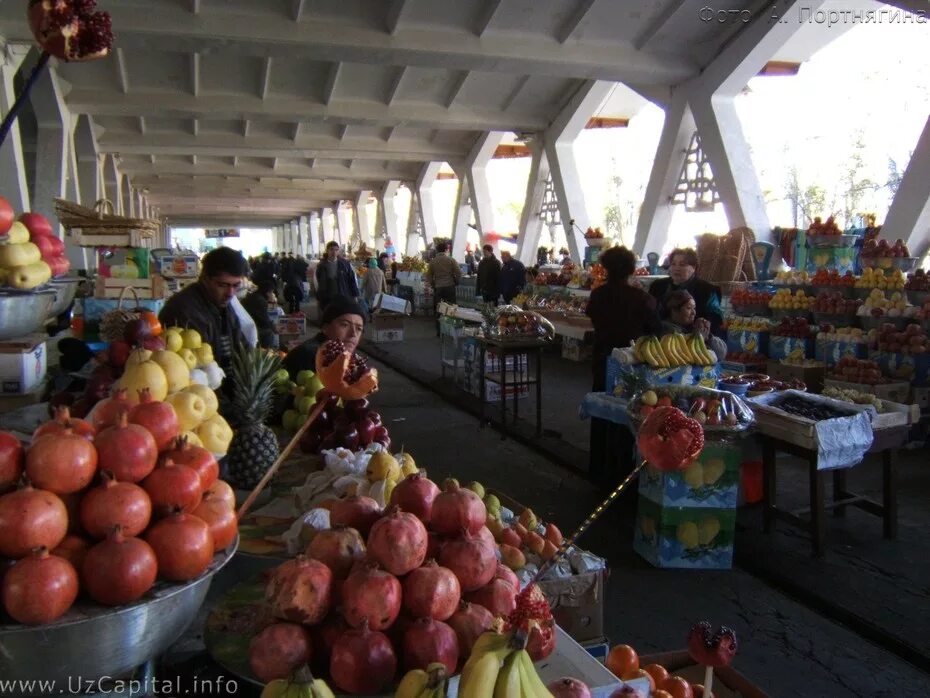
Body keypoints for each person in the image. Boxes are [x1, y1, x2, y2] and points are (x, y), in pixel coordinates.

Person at [585, 246, 662, 486]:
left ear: (606, 268)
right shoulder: (642, 299)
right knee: (630, 416)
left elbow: (592, 316)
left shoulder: (598, 295)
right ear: (631, 268)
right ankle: (624, 476)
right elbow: (655, 329)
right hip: (632, 366)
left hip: (603, 360)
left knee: (602, 415)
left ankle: (598, 470)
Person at [159, 246, 249, 378]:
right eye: (223, 285)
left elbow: (241, 346)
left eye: (236, 285)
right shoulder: (183, 310)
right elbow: (197, 368)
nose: (230, 293)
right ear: (205, 279)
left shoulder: (222, 304)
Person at [282, 296, 366, 379]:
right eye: (345, 325)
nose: (353, 334)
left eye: (359, 329)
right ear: (325, 328)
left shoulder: (340, 356)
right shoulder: (313, 356)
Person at [649, 247, 724, 337]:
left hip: (694, 338)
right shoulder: (658, 285)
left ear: (694, 268)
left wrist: (702, 325)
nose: (676, 268)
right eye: (673, 264)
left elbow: (716, 319)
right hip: (658, 335)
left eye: (682, 264)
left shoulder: (707, 290)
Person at [662, 290, 727, 360]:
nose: (693, 312)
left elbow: (722, 354)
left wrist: (708, 335)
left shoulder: (692, 327)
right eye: (689, 308)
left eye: (694, 308)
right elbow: (687, 357)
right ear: (674, 310)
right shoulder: (666, 330)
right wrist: (699, 337)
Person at [425, 241, 461, 335]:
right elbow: (458, 272)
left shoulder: (433, 261)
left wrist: (433, 284)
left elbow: (428, 276)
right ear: (446, 249)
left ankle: (439, 331)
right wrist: (455, 280)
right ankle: (451, 330)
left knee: (439, 309)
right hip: (449, 286)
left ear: (437, 250)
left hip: (438, 287)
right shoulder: (451, 260)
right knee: (451, 309)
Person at [315, 241, 360, 313]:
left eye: (336, 250)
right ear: (327, 251)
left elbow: (352, 280)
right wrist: (319, 297)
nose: (334, 252)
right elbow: (318, 282)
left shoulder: (345, 264)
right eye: (331, 249)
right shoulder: (321, 266)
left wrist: (355, 295)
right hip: (328, 297)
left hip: (343, 295)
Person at [241, 279, 278, 349]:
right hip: (250, 327)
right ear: (267, 292)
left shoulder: (254, 295)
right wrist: (274, 327)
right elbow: (264, 320)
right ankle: (267, 352)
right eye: (272, 292)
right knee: (269, 333)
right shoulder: (261, 301)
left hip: (247, 324)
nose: (273, 294)